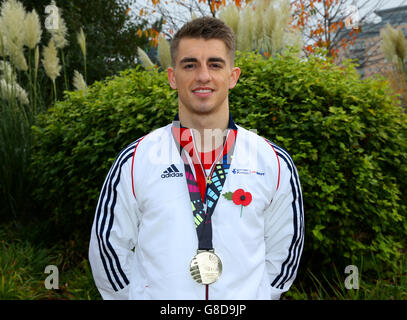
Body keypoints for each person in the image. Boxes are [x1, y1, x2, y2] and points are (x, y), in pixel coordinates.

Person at [89, 16, 304, 300]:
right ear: (172, 77)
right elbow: (106, 248)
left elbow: (285, 251)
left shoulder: (273, 162)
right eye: (190, 65)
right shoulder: (136, 159)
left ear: (233, 76)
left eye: (215, 64)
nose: (203, 75)